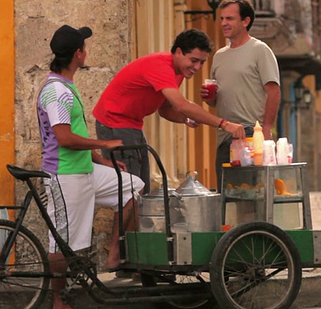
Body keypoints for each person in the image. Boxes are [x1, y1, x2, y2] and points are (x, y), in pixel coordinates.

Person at [37, 25, 145, 309]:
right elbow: (64, 138)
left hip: (85, 170)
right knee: (62, 240)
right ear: (78, 54)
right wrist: (105, 144)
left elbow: (74, 132)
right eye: (85, 47)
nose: (87, 52)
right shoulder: (57, 91)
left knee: (132, 185)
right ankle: (58, 298)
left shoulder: (67, 86)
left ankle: (116, 254)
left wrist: (101, 159)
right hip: (66, 175)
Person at [93, 29, 245, 194]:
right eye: (194, 60)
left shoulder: (177, 72)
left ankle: (135, 219)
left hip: (133, 124)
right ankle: (127, 220)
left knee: (141, 189)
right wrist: (224, 124)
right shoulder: (161, 66)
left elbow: (165, 109)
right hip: (115, 123)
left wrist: (186, 119)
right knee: (130, 191)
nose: (197, 67)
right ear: (178, 52)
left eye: (201, 62)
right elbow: (181, 105)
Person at [201, 0, 281, 189]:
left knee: (252, 192)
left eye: (230, 18)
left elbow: (273, 91)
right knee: (226, 193)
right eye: (222, 19)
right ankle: (229, 222)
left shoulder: (259, 50)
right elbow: (215, 101)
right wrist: (209, 97)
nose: (224, 23)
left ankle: (255, 222)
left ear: (245, 21)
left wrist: (267, 129)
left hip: (251, 134)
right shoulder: (219, 56)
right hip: (224, 136)